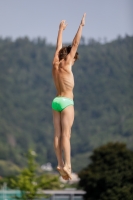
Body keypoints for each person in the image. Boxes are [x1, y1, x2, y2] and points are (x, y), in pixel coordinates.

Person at [52, 13, 86, 180]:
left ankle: (59, 163)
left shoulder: (55, 64)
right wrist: (81, 26)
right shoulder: (67, 63)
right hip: (66, 102)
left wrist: (60, 29)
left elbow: (58, 47)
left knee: (57, 134)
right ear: (70, 58)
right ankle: (68, 165)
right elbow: (75, 43)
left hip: (55, 101)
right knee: (66, 135)